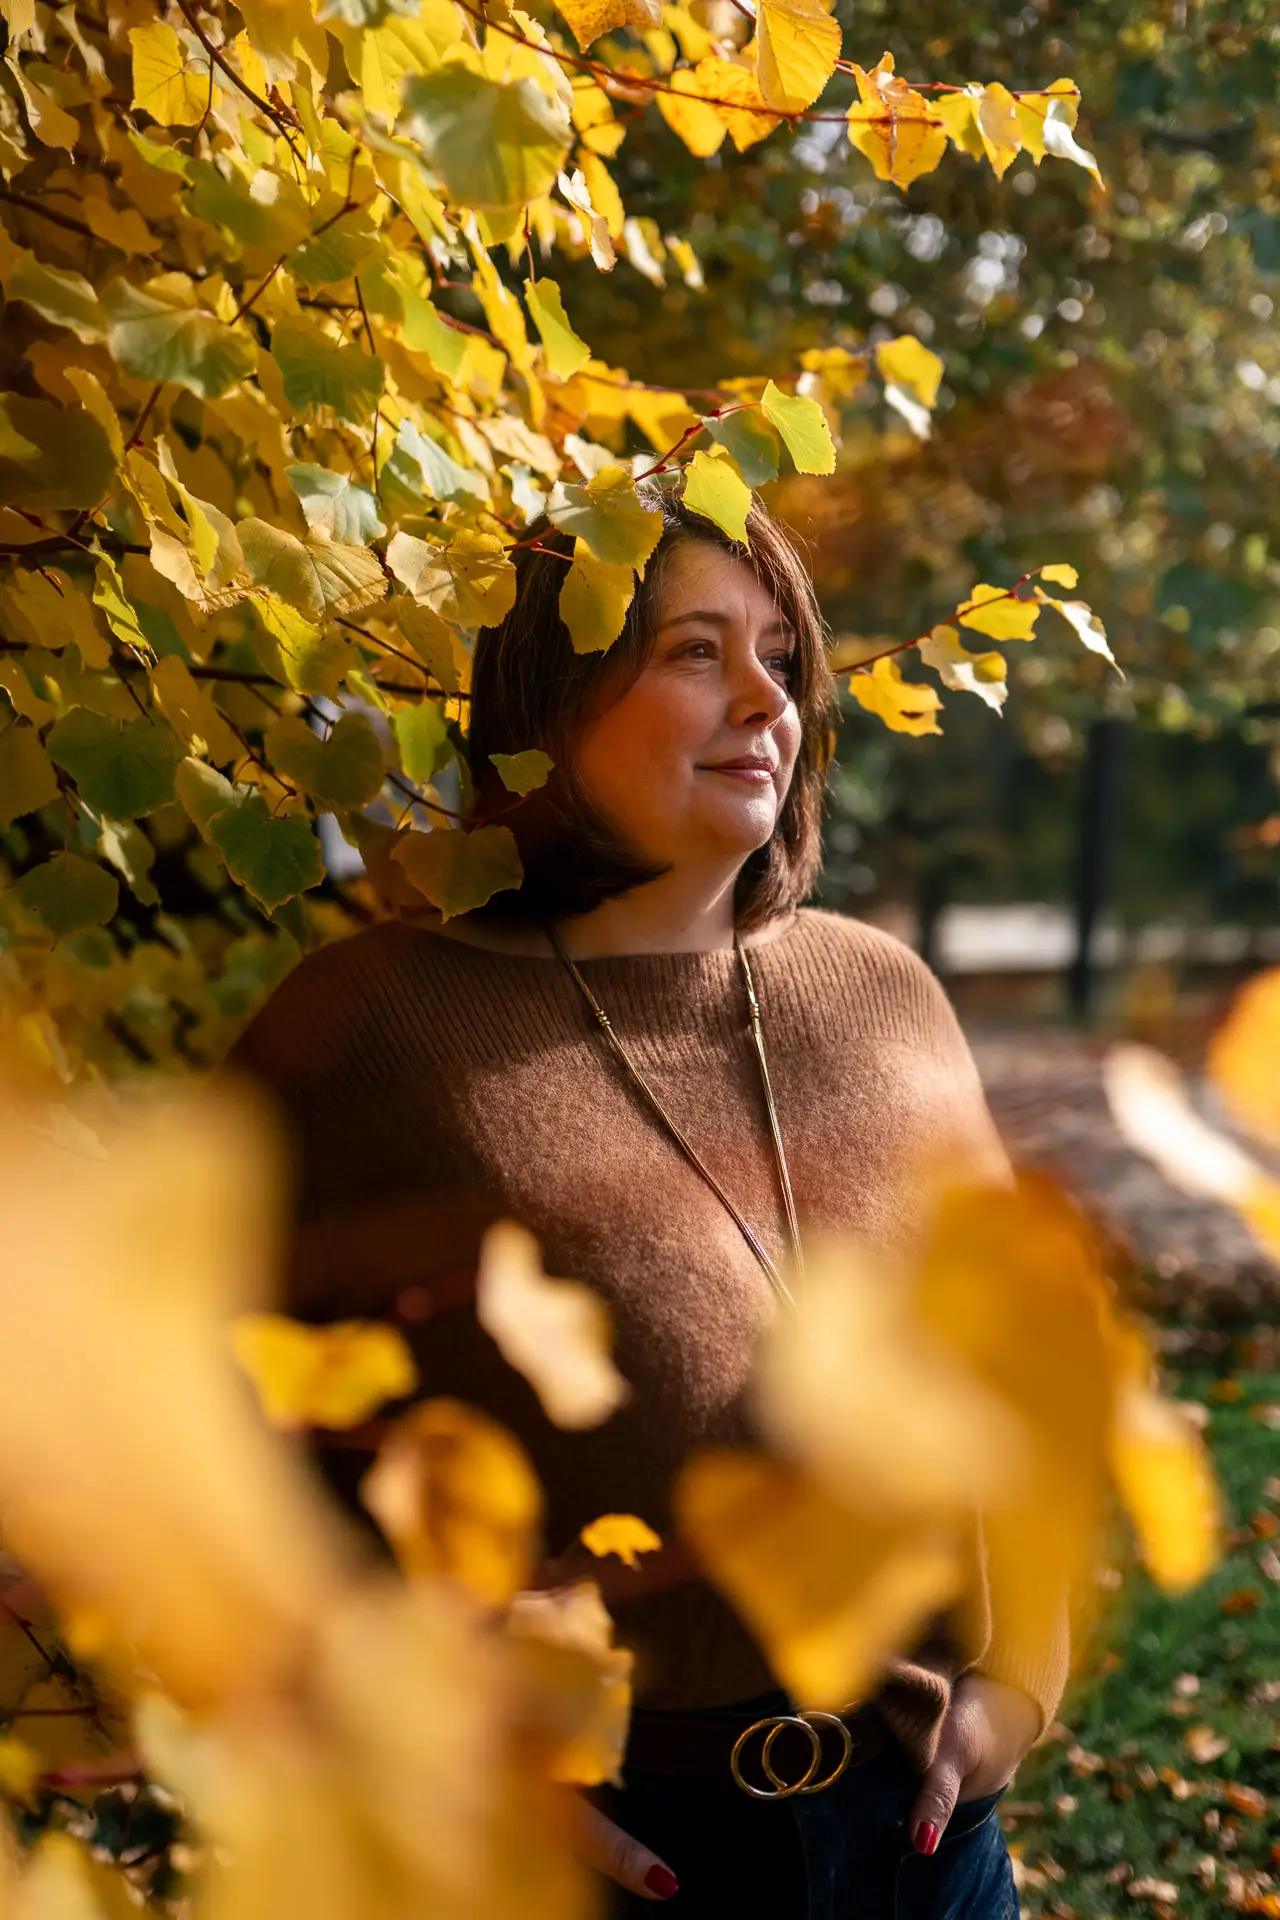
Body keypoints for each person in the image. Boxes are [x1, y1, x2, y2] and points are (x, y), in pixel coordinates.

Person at [227, 488, 1067, 1918]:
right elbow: (196, 1437)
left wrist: (1013, 1700)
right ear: (557, 706)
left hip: (924, 1844)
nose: (765, 700)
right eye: (694, 652)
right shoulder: (374, 1027)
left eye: (781, 659)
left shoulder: (886, 997)